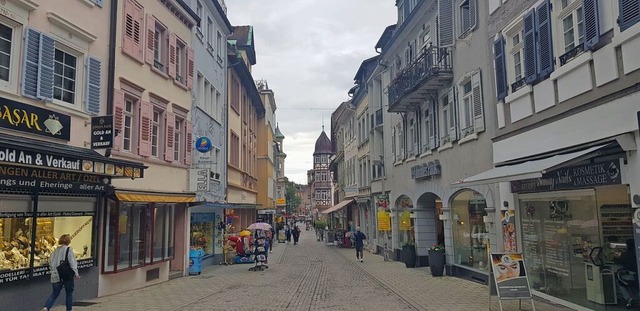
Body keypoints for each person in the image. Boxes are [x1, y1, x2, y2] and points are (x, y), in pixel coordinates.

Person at [42, 234, 79, 311]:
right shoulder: (69, 250)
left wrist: (53, 271)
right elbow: (72, 262)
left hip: (55, 275)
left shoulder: (55, 251)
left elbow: (50, 263)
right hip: (66, 275)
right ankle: (69, 309)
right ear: (68, 241)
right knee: (69, 293)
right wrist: (76, 273)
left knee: (55, 293)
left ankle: (46, 307)